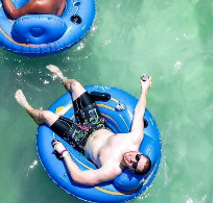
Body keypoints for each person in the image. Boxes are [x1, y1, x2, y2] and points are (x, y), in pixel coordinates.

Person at [15, 66, 155, 187]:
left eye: (134, 165)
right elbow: (139, 112)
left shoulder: (111, 169)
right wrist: (144, 89)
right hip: (96, 123)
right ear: (139, 153)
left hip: (81, 140)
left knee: (46, 116)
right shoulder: (134, 139)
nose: (132, 159)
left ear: (131, 170)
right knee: (75, 85)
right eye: (137, 157)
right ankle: (62, 77)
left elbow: (79, 178)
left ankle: (27, 107)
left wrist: (64, 153)